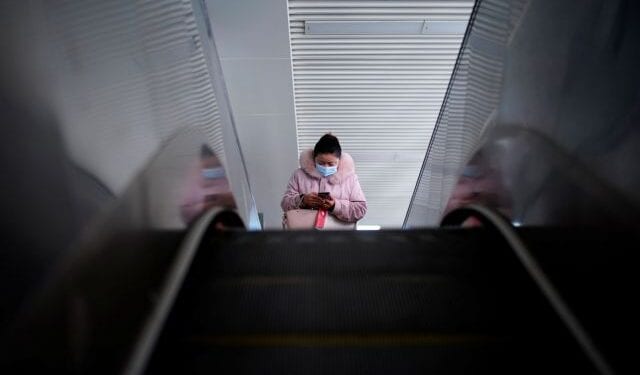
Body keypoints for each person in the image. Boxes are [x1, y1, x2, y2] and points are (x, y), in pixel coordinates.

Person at [281, 133, 367, 224]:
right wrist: (303, 200)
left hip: (338, 235)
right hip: (305, 234)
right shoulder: (299, 175)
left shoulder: (350, 179)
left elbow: (361, 209)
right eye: (321, 163)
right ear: (314, 159)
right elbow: (285, 204)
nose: (326, 167)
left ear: (339, 160)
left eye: (331, 164)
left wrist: (335, 206)